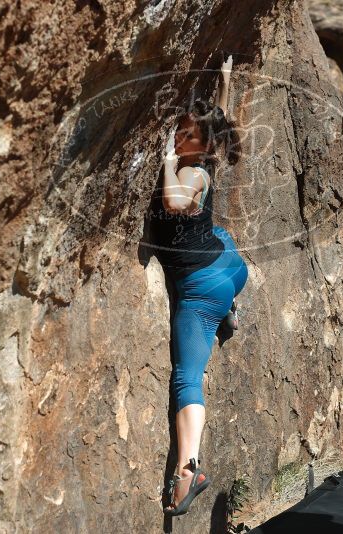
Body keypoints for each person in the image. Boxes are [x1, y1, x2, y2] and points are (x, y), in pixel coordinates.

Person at [147, 56, 248, 516]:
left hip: (202, 286)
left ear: (201, 144)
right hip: (228, 266)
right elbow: (219, 126)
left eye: (188, 133)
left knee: (187, 377)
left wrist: (168, 161)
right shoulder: (206, 155)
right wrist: (224, 84)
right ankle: (227, 311)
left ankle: (189, 468)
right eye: (180, 129)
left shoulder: (191, 170)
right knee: (220, 231)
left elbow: (174, 199)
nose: (179, 136)